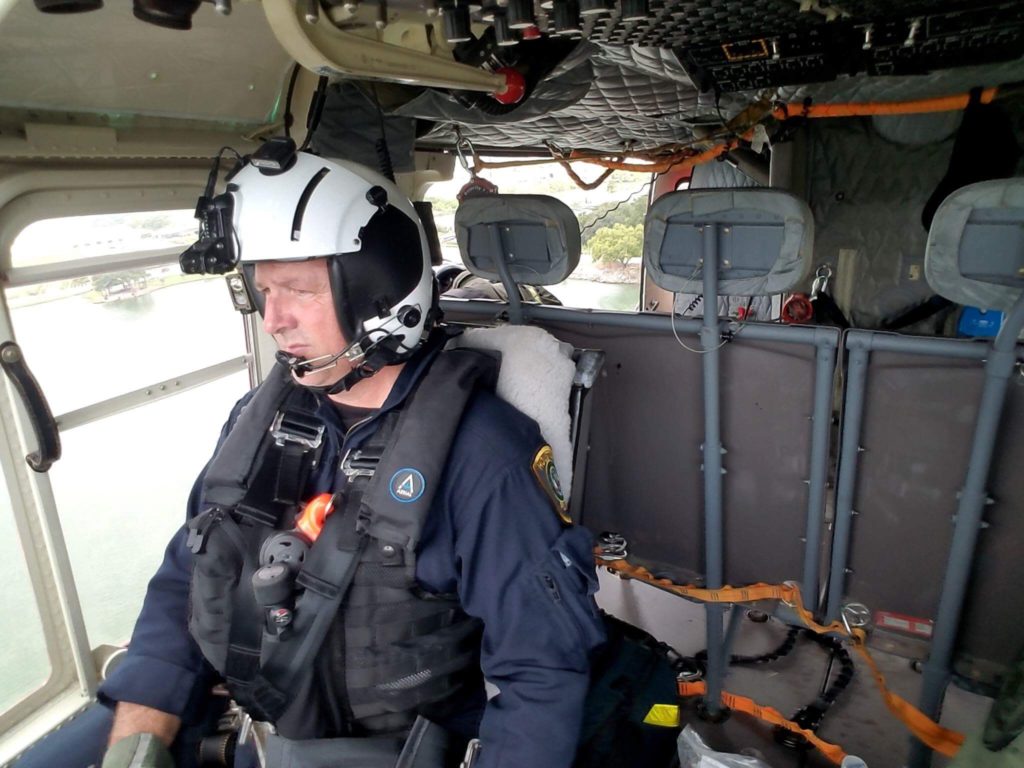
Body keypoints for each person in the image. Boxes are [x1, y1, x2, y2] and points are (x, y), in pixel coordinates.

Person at [14, 143, 605, 768]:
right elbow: (189, 577)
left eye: (297, 289)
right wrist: (139, 740)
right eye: (262, 289)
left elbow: (541, 670)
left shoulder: (483, 455)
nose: (273, 320)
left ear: (379, 290)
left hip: (413, 744)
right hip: (266, 728)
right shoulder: (259, 420)